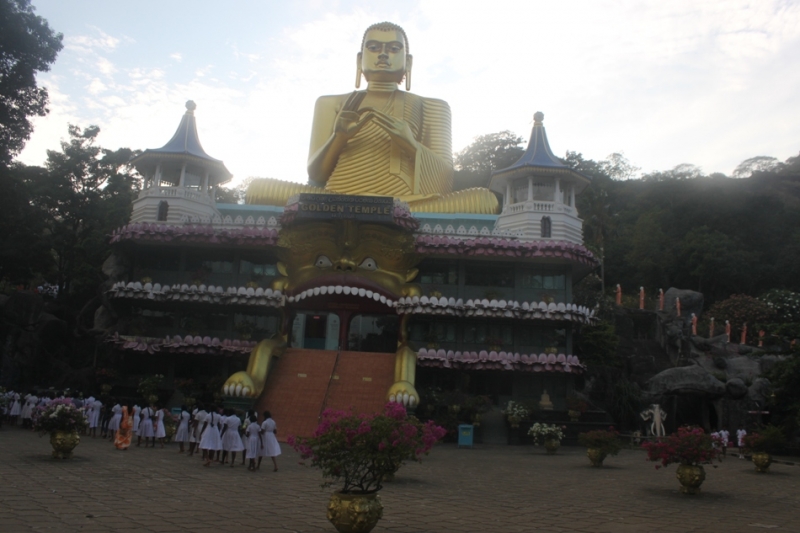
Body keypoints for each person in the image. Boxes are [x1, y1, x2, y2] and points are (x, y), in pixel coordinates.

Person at [245, 22, 497, 215]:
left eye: (394, 49)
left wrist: (411, 144)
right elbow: (317, 175)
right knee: (259, 189)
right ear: (359, 59)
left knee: (484, 201)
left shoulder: (432, 106)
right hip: (336, 198)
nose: (383, 55)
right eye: (374, 47)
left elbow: (444, 182)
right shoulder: (330, 103)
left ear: (408, 62)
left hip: (408, 204)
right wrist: (339, 136)